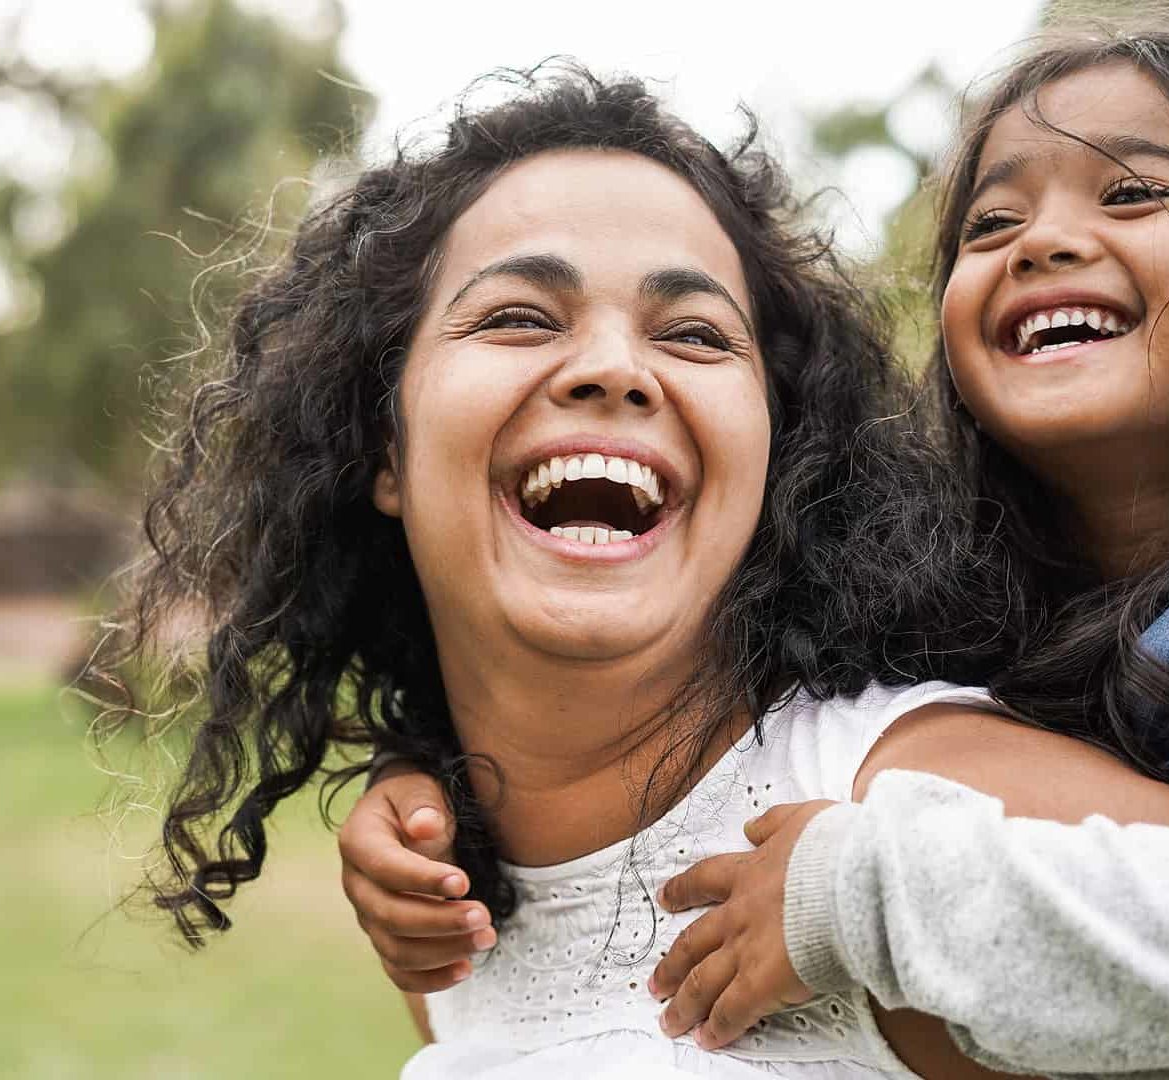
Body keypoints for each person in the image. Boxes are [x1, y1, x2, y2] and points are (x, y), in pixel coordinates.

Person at [106, 64, 1163, 1078]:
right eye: (517, 316)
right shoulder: (447, 912)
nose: (613, 368)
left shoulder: (902, 807)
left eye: (694, 334)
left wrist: (870, 898)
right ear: (382, 444)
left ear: (773, 456)